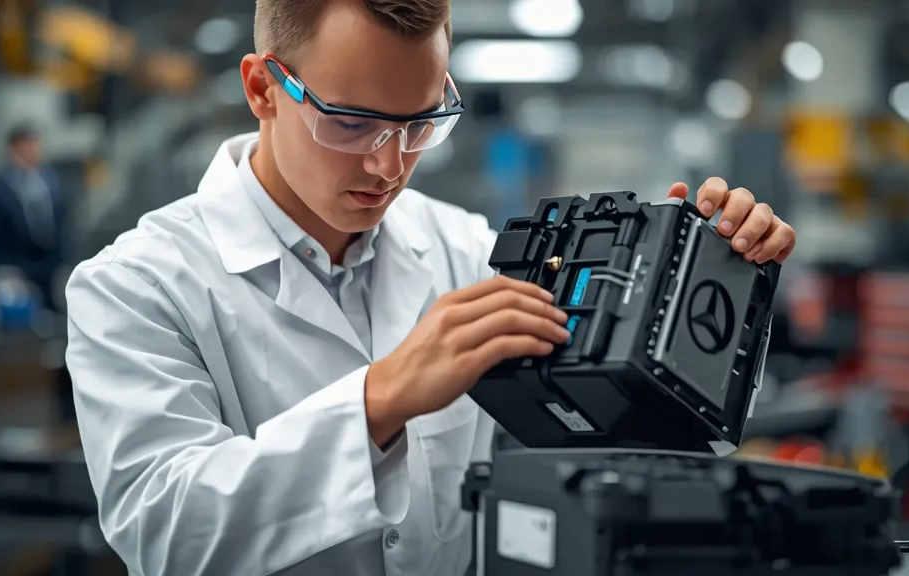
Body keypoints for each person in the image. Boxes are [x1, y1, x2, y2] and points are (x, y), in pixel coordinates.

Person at [64, 1, 797, 575]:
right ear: (263, 88)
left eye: (419, 124)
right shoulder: (134, 287)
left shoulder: (466, 251)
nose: (389, 165)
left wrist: (709, 291)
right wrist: (380, 400)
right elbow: (165, 536)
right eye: (351, 123)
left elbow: (626, 443)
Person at [0, 125, 71, 311]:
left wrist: (65, 263)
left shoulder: (52, 183)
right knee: (14, 300)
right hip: (12, 264)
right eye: (27, 145)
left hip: (50, 265)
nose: (33, 151)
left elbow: (62, 229)